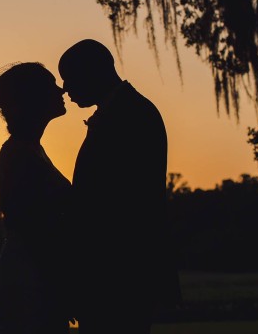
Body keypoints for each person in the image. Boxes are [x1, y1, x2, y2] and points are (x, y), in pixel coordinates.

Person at [58, 39, 181, 334]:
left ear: (93, 71)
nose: (65, 89)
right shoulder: (124, 110)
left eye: (70, 78)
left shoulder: (130, 115)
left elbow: (117, 206)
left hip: (119, 273)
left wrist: (84, 275)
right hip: (117, 272)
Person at [0, 62, 75, 334]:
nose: (60, 89)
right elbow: (33, 228)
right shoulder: (17, 154)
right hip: (29, 280)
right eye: (50, 85)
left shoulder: (31, 149)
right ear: (33, 98)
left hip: (34, 275)